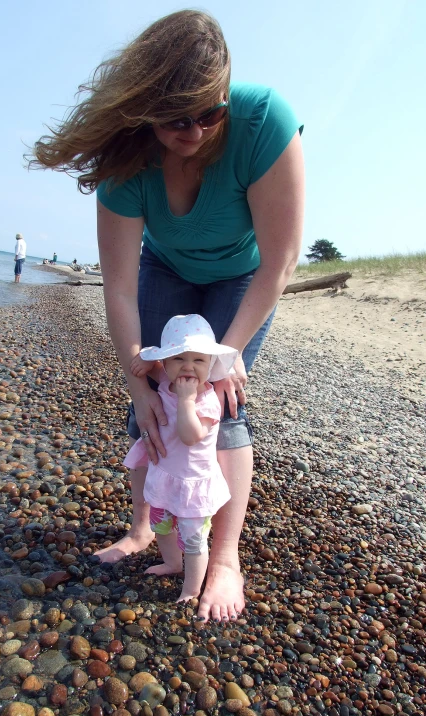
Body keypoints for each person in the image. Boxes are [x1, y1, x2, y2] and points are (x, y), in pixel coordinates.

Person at [31, 10, 305, 622]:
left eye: (210, 112)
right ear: (144, 105)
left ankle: (224, 558)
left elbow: (281, 260)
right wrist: (138, 375)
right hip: (164, 269)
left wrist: (225, 356)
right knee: (151, 400)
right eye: (176, 117)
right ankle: (143, 529)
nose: (197, 130)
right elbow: (120, 290)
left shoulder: (262, 122)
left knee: (220, 403)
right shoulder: (127, 163)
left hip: (244, 275)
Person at [124, 315, 237, 603]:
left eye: (198, 360)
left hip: (193, 486)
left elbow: (191, 435)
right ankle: (172, 563)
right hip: (165, 476)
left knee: (194, 541)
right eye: (179, 359)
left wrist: (187, 401)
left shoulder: (208, 400)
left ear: (210, 365)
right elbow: (159, 370)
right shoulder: (168, 380)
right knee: (159, 525)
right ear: (168, 363)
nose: (188, 367)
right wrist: (150, 363)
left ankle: (191, 589)